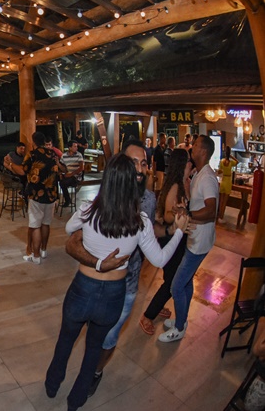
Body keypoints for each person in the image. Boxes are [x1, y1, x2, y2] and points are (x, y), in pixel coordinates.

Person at [45, 154, 188, 411]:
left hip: (82, 287)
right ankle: (75, 401)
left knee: (66, 339)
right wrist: (178, 231)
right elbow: (159, 259)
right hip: (113, 294)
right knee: (93, 350)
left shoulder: (89, 209)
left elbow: (68, 229)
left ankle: (52, 385)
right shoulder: (139, 221)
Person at [65, 140, 163, 397]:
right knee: (84, 332)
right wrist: (99, 264)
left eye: (144, 163)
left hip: (127, 286)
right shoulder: (105, 195)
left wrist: (174, 229)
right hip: (91, 281)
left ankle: (95, 373)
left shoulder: (149, 199)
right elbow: (73, 241)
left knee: (108, 337)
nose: (139, 169)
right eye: (133, 163)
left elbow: (150, 235)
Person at [158, 135, 218, 343]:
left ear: (203, 151)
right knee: (186, 282)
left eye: (196, 145)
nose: (192, 148)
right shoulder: (198, 174)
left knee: (176, 286)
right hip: (194, 238)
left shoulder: (207, 178)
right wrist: (183, 209)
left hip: (199, 243)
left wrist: (189, 215)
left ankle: (179, 327)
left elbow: (211, 211)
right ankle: (181, 319)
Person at [139, 149, 191, 336]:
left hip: (178, 237)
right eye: (188, 161)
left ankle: (158, 305)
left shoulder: (184, 183)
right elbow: (167, 216)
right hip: (170, 237)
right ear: (182, 164)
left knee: (171, 277)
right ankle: (147, 315)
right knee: (172, 282)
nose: (191, 164)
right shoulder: (175, 186)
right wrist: (177, 213)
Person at [13, 132, 62, 263]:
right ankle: (44, 250)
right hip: (51, 194)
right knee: (46, 224)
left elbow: (23, 171)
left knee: (35, 226)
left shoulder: (32, 154)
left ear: (33, 141)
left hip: (36, 195)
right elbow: (60, 168)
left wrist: (10, 164)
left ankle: (36, 256)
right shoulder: (53, 154)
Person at [59, 140, 84, 208]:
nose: (76, 148)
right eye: (75, 146)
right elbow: (63, 168)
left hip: (76, 177)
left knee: (63, 183)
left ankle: (67, 200)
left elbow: (81, 168)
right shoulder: (64, 156)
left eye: (77, 146)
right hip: (68, 175)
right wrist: (58, 164)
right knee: (59, 179)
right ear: (70, 148)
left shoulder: (79, 155)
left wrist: (71, 174)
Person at [217, 146, 237, 221]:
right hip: (228, 181)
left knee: (221, 201)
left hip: (223, 180)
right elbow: (237, 161)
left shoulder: (222, 161)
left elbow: (219, 171)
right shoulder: (231, 162)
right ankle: (221, 217)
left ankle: (219, 216)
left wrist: (219, 171)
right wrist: (231, 156)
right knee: (225, 201)